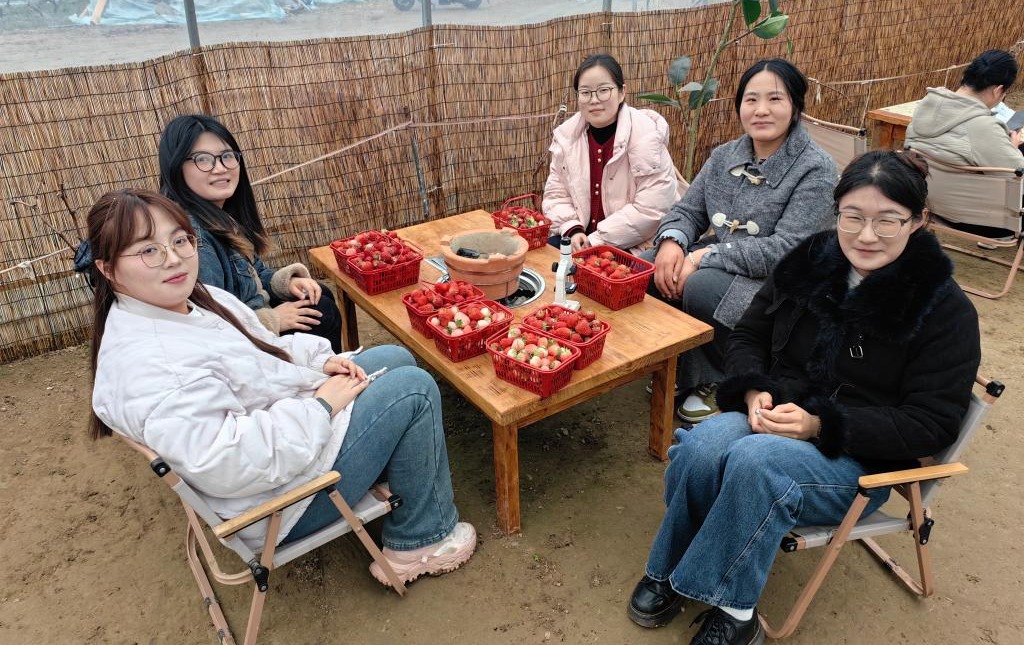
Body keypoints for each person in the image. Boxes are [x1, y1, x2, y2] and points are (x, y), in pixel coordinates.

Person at [627, 150, 980, 645]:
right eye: (852, 217)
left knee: (755, 463)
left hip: (856, 459)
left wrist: (821, 424)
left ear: (918, 221)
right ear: (836, 213)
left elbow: (932, 424)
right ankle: (671, 568)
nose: (866, 235)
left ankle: (736, 611)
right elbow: (749, 334)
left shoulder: (943, 310)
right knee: (703, 446)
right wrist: (754, 388)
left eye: (887, 220)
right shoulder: (811, 260)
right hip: (777, 409)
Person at [79, 188, 476, 587]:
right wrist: (320, 407)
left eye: (180, 240)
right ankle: (422, 540)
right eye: (149, 250)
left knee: (394, 357)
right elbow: (229, 461)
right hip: (278, 505)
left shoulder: (193, 299)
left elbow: (262, 348)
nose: (173, 258)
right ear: (108, 269)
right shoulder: (155, 364)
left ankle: (391, 467)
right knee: (413, 390)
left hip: (284, 442)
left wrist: (318, 361)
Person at [646, 58, 837, 423]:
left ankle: (723, 377)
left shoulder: (816, 169)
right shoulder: (725, 156)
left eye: (775, 99)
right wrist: (672, 242)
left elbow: (788, 250)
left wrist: (704, 256)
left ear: (796, 105)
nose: (761, 110)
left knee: (702, 285)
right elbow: (688, 210)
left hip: (784, 290)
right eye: (751, 99)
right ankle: (678, 363)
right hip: (727, 263)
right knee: (651, 265)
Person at [159, 114, 343, 352]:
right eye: (203, 159)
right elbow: (209, 323)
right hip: (238, 345)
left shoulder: (219, 217)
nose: (220, 168)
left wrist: (288, 283)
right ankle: (328, 371)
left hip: (250, 315)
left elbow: (253, 272)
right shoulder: (194, 239)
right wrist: (272, 320)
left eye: (227, 156)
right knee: (321, 313)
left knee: (315, 294)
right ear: (176, 167)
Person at [543, 53, 683, 254]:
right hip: (578, 238)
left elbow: (652, 209)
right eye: (585, 92)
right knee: (540, 260)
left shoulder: (646, 136)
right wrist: (572, 229)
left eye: (603, 90)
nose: (594, 100)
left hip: (634, 244)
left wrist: (596, 240)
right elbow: (556, 194)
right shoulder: (567, 138)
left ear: (622, 92)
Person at [906, 49, 1024, 170]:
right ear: (997, 91)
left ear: (964, 77)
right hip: (957, 182)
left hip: (916, 179)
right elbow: (1015, 172)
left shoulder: (926, 105)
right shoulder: (985, 127)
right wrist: (1012, 148)